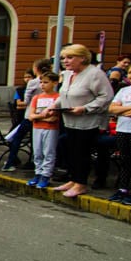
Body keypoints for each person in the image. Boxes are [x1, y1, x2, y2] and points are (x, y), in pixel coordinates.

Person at [52, 44, 113, 198]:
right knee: (70, 149)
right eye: (63, 58)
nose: (65, 61)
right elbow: (64, 95)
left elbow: (106, 97)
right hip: (69, 118)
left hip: (88, 121)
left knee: (81, 152)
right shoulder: (67, 74)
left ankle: (81, 183)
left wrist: (85, 108)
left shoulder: (94, 74)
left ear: (83, 58)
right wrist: (53, 106)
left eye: (70, 57)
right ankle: (73, 179)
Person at [107, 62, 131, 205]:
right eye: (129, 72)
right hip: (122, 129)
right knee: (124, 160)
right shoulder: (123, 90)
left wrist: (123, 109)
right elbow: (112, 109)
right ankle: (123, 188)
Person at [26, 72, 61, 190]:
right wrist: (43, 117)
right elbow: (31, 115)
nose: (42, 85)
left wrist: (38, 116)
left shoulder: (57, 97)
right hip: (37, 127)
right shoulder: (37, 97)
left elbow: (54, 117)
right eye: (41, 82)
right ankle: (38, 173)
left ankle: (46, 175)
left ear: (54, 83)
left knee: (49, 151)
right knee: (37, 151)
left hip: (51, 129)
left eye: (46, 82)